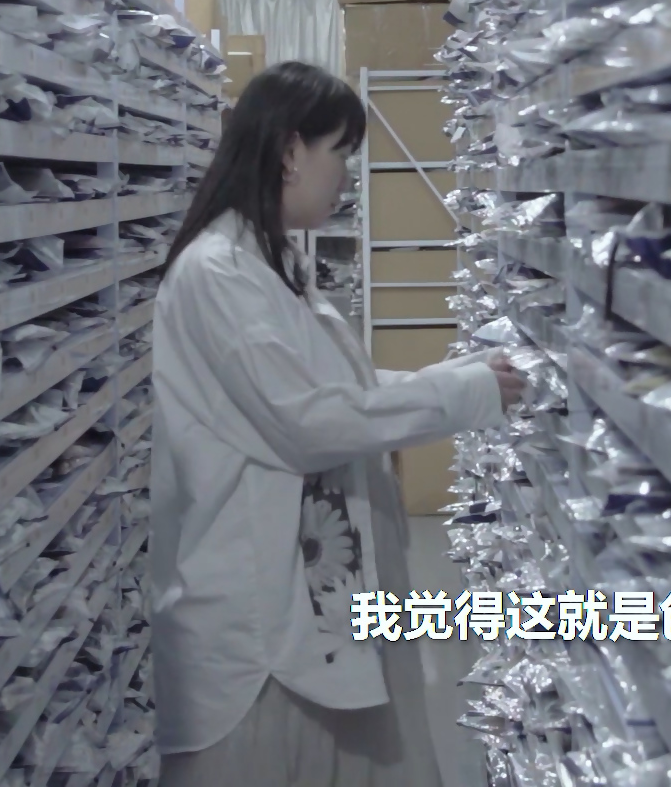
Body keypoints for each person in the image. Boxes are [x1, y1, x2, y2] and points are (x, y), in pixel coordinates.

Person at [150, 61, 524, 787]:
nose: (347, 176)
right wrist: (461, 394)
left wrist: (465, 377)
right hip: (257, 621)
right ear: (291, 152)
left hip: (317, 606)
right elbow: (310, 422)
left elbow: (338, 390)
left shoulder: (270, 263)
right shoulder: (217, 273)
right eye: (341, 153)